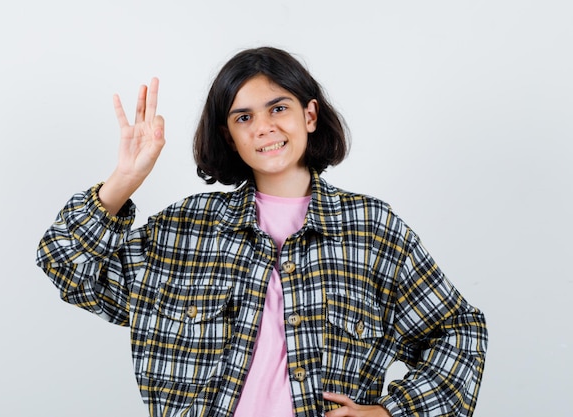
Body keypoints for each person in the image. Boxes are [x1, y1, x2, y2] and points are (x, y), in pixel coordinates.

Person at [36, 46, 487, 417]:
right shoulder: (184, 232)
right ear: (229, 135)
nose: (265, 127)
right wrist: (124, 181)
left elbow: (459, 329)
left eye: (278, 108)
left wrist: (395, 412)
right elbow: (67, 267)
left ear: (309, 115)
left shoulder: (371, 231)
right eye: (244, 117)